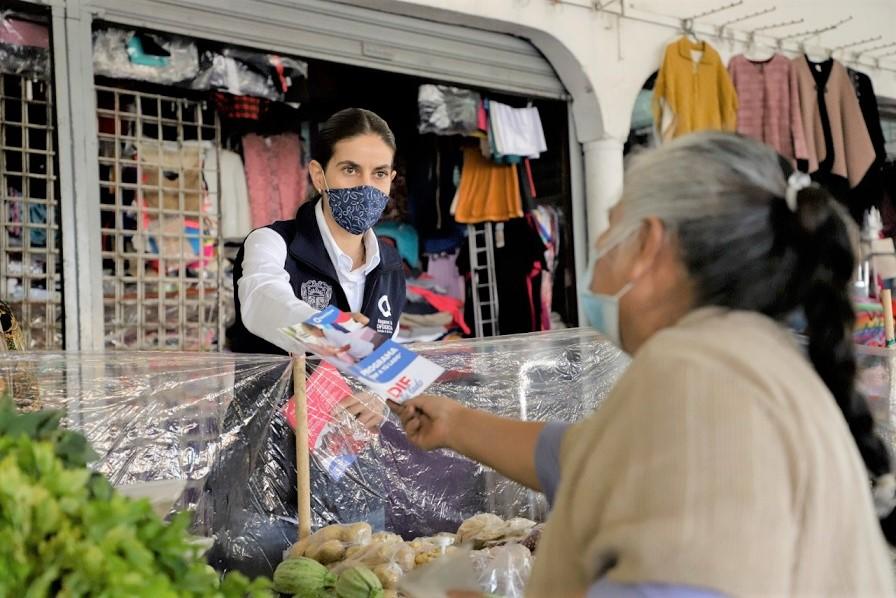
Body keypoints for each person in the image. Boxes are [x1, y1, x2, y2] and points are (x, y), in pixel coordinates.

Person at [391, 132, 896, 596]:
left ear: (649, 244)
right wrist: (455, 423)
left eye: (611, 229)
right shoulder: (746, 358)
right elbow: (586, 459)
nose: (598, 253)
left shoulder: (699, 375)